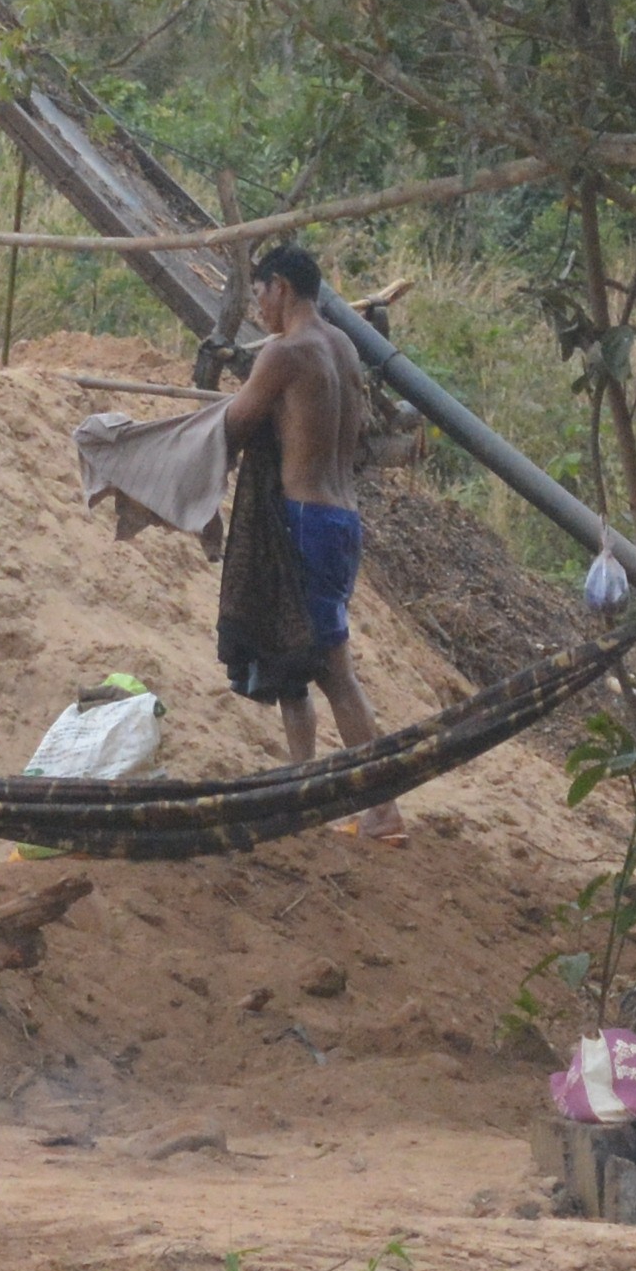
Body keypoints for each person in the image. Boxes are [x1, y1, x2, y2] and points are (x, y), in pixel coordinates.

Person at [230, 241, 406, 840]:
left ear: (279, 287)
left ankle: (382, 808)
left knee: (332, 668)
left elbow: (235, 423)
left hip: (307, 521)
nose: (259, 311)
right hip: (341, 521)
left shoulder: (286, 352)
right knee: (291, 656)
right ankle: (298, 789)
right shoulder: (344, 346)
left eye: (259, 296)